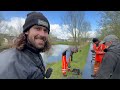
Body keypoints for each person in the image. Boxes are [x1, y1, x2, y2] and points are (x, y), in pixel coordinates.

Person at [0, 11, 53, 79]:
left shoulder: (34, 53)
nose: (42, 34)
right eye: (37, 28)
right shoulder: (13, 64)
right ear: (26, 31)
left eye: (45, 30)